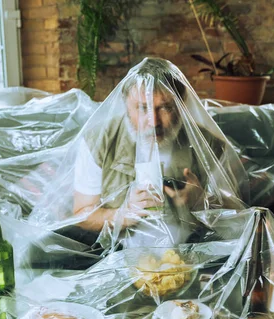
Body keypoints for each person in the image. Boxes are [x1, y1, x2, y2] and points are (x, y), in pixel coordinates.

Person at [68, 57, 245, 247]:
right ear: (126, 103)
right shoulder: (99, 141)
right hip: (118, 255)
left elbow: (237, 221)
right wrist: (125, 214)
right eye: (142, 108)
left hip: (190, 254)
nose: (153, 122)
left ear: (181, 103)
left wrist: (201, 202)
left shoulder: (209, 145)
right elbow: (82, 214)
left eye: (165, 107)